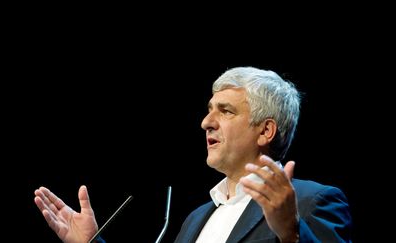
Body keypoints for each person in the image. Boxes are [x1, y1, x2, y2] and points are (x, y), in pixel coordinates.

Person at [34, 66, 352, 243]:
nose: (205, 122)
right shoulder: (194, 220)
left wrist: (292, 234)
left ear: (265, 131)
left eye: (225, 112)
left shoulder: (314, 201)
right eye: (208, 111)